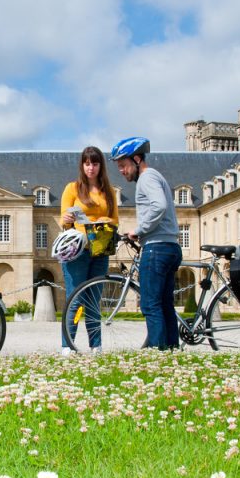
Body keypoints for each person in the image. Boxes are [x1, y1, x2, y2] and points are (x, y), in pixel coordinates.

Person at [111, 136, 181, 349]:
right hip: (170, 247)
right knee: (165, 305)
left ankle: (158, 355)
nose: (122, 171)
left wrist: (139, 230)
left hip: (157, 248)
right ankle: (171, 351)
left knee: (150, 304)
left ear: (137, 159)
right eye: (119, 167)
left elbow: (158, 206)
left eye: (123, 165)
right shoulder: (154, 176)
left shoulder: (147, 178)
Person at [58, 146, 119, 353]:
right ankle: (68, 346)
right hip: (78, 250)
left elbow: (116, 221)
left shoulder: (108, 191)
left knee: (93, 300)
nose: (90, 168)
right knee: (75, 300)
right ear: (82, 165)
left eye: (94, 163)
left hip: (100, 249)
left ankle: (96, 347)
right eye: (87, 163)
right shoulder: (72, 188)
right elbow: (64, 222)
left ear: (100, 165)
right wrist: (66, 219)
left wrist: (106, 219)